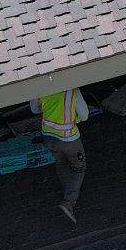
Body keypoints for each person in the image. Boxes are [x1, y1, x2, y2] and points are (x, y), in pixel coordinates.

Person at [38, 86, 89, 223]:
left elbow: (34, 109)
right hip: (69, 139)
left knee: (61, 163)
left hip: (48, 136)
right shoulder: (72, 91)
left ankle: (69, 192)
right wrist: (75, 118)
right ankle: (68, 202)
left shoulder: (39, 86)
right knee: (79, 168)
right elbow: (84, 115)